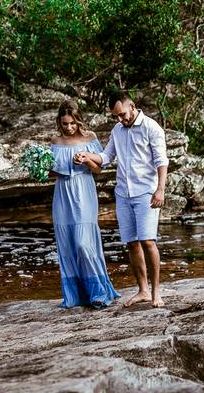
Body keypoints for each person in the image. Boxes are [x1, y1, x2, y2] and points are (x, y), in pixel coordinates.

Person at [77, 90, 169, 308]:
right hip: (123, 193)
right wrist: (87, 156)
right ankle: (143, 290)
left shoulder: (151, 127)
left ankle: (156, 293)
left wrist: (160, 189)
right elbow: (106, 157)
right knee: (132, 243)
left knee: (148, 241)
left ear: (132, 107)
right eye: (115, 116)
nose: (120, 119)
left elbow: (161, 161)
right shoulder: (117, 130)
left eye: (122, 114)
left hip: (146, 192)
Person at [49, 99, 120, 309]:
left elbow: (98, 169)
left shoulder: (90, 137)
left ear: (78, 120)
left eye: (72, 123)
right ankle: (76, 295)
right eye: (65, 124)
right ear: (59, 122)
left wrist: (86, 160)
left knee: (84, 243)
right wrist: (42, 167)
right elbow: (50, 173)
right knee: (67, 244)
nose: (69, 127)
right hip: (62, 193)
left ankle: (99, 291)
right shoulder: (55, 140)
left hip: (83, 191)